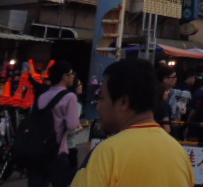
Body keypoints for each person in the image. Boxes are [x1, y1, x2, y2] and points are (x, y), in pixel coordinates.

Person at [70, 58, 195, 187]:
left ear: (124, 102)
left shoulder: (106, 153)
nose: (98, 107)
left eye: (102, 98)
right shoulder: (180, 155)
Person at [28, 60, 80, 187]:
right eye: (71, 74)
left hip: (37, 152)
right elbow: (72, 125)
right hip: (57, 153)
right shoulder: (70, 97)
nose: (73, 77)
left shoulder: (42, 96)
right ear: (64, 76)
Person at [67, 78, 84, 174]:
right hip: (69, 144)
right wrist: (78, 129)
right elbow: (71, 127)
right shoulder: (75, 103)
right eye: (79, 85)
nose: (81, 87)